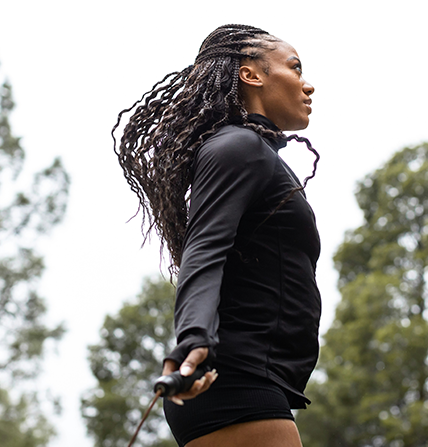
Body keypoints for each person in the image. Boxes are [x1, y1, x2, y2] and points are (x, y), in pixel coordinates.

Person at [112, 24, 321, 447]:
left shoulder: (249, 151)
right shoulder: (239, 147)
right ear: (251, 74)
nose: (308, 84)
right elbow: (205, 250)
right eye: (295, 67)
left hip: (243, 385)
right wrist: (193, 339)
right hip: (234, 383)